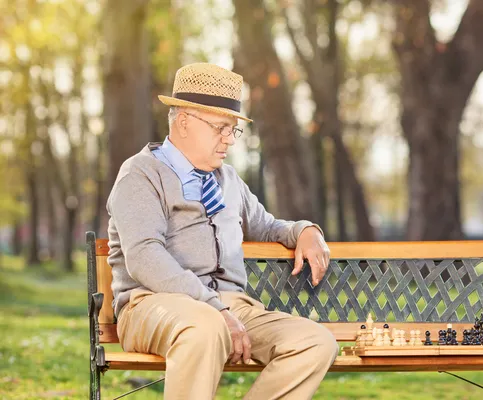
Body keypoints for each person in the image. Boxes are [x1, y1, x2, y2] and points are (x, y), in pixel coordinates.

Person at [106, 62, 338, 399]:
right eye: (221, 128)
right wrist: (212, 307)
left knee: (315, 342)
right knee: (204, 326)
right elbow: (144, 256)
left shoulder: (228, 180)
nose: (229, 140)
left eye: (234, 130)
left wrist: (305, 231)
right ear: (184, 122)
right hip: (154, 305)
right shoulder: (141, 174)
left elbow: (267, 226)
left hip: (232, 307)